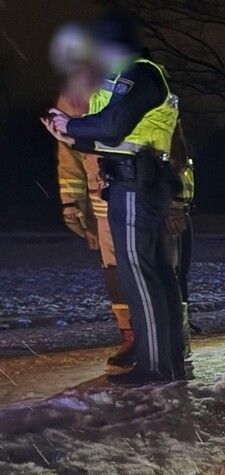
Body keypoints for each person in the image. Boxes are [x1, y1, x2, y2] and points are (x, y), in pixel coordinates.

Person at [43, 14, 187, 384]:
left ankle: (156, 367)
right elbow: (112, 134)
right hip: (139, 184)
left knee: (140, 278)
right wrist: (71, 135)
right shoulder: (136, 77)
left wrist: (70, 127)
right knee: (155, 276)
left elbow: (112, 125)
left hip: (136, 187)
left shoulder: (141, 75)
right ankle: (165, 360)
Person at [49, 21, 135, 368]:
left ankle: (161, 335)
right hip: (103, 197)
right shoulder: (75, 92)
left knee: (147, 266)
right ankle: (130, 335)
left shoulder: (133, 80)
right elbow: (67, 154)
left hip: (139, 190)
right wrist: (72, 205)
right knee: (114, 269)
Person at [167, 122, 198, 345]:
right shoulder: (163, 144)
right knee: (174, 270)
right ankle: (175, 321)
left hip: (185, 210)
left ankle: (183, 320)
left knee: (182, 270)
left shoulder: (182, 147)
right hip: (172, 211)